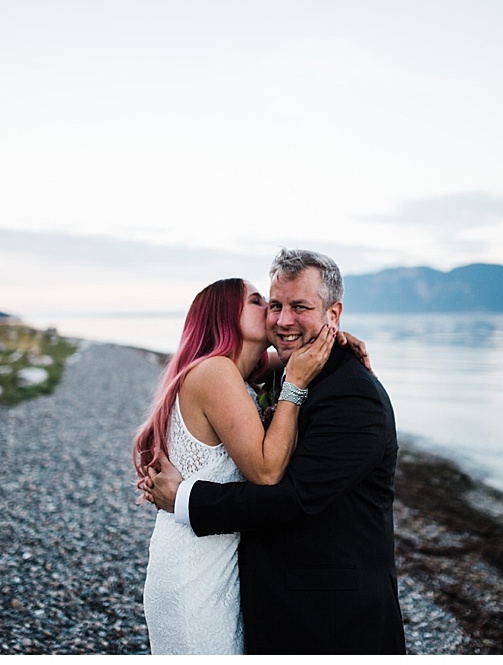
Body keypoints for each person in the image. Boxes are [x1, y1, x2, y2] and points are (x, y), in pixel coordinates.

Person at [145, 248, 406, 655]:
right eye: (272, 304)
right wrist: (320, 340)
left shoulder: (353, 396)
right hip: (240, 587)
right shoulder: (263, 371)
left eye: (299, 307)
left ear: (332, 314)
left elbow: (292, 496)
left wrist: (184, 499)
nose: (282, 319)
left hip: (332, 617)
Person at [133, 277, 340, 655]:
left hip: (216, 566)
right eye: (259, 301)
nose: (273, 309)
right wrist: (293, 384)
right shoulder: (215, 373)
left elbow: (299, 355)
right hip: (192, 572)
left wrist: (338, 341)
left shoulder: (236, 374)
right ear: (226, 314)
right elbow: (266, 472)